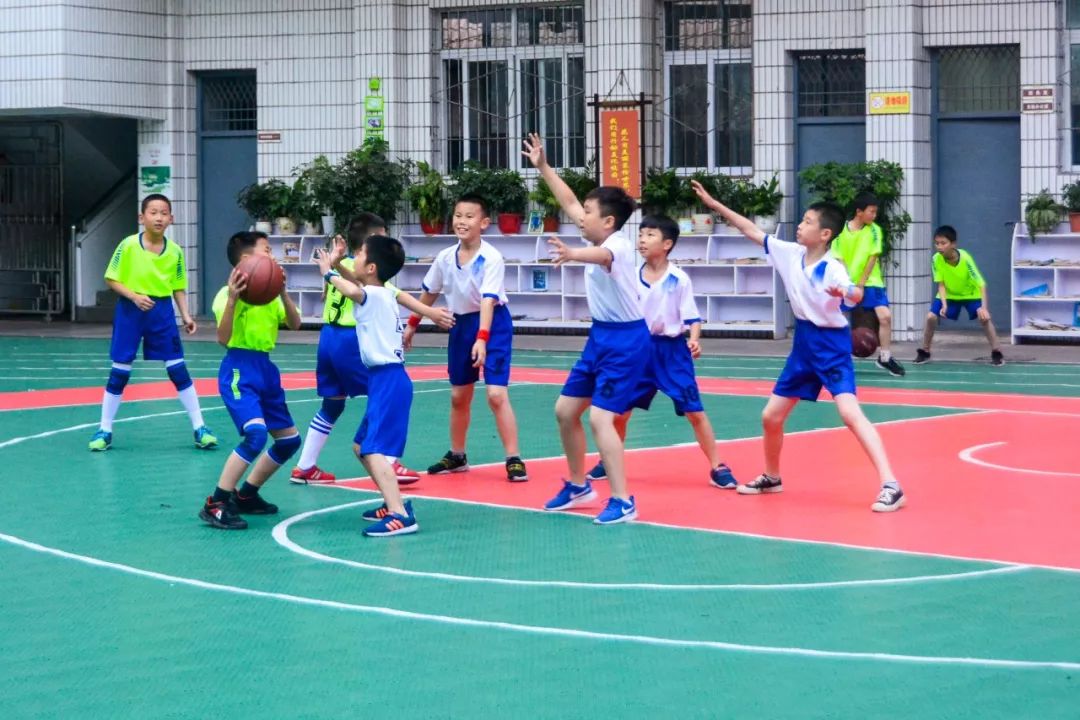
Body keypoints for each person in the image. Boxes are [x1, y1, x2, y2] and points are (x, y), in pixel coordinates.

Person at [690, 180, 906, 512]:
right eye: (803, 220)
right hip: (804, 343)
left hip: (831, 345)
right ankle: (772, 477)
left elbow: (856, 294)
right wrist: (714, 204)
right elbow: (750, 230)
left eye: (807, 222)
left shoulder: (831, 268)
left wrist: (846, 292)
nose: (800, 225)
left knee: (849, 414)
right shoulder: (790, 253)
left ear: (825, 234)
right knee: (771, 416)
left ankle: (891, 484)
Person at [522, 133, 649, 524]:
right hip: (600, 337)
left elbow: (602, 255)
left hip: (627, 340)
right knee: (565, 411)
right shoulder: (599, 229)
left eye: (589, 213)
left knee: (600, 417)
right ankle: (579, 486)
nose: (581, 217)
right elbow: (569, 201)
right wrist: (543, 166)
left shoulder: (620, 245)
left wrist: (573, 253)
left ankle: (623, 500)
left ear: (608, 221)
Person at [290, 213, 453, 485]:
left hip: (327, 338)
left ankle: (305, 465)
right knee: (384, 394)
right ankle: (386, 459)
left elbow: (342, 284)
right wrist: (430, 313)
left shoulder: (346, 265)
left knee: (332, 404)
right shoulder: (369, 276)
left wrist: (332, 268)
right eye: (382, 236)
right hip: (351, 341)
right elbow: (397, 295)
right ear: (371, 241)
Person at [584, 215, 738, 489]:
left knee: (695, 412)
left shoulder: (679, 279)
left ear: (667, 244)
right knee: (620, 413)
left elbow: (692, 318)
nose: (642, 240)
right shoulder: (629, 276)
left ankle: (718, 466)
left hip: (672, 353)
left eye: (650, 235)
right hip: (637, 349)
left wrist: (694, 340)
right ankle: (607, 461)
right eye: (641, 234)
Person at [402, 194, 528, 482]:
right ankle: (457, 455)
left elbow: (488, 300)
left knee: (496, 395)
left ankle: (514, 458)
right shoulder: (445, 257)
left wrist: (482, 338)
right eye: (458, 215)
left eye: (469, 216)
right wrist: (412, 324)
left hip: (493, 324)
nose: (462, 221)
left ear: (483, 223)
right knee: (459, 396)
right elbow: (429, 292)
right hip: (460, 326)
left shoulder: (491, 257)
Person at [88, 193, 217, 452]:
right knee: (120, 371)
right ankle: (105, 430)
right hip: (130, 310)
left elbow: (178, 287)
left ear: (171, 219)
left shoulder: (175, 251)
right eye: (153, 212)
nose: (159, 218)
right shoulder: (128, 245)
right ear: (142, 217)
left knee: (178, 369)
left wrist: (186, 315)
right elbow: (111, 278)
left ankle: (200, 428)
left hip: (162, 312)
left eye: (164, 213)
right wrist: (134, 297)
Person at [315, 234, 420, 536]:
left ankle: (400, 515)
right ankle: (392, 502)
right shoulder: (380, 292)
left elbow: (351, 289)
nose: (355, 259)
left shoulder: (371, 294)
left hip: (389, 380)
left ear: (371, 267)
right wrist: (338, 264)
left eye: (359, 255)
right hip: (383, 379)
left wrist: (328, 272)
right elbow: (355, 285)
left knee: (373, 449)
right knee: (361, 447)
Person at [199, 231, 302, 530]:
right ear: (247, 260)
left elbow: (295, 324)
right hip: (239, 369)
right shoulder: (225, 295)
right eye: (266, 250)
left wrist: (283, 292)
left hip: (266, 369)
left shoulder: (268, 295)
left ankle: (246, 495)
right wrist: (233, 299)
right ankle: (216, 503)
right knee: (256, 436)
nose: (272, 255)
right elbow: (223, 339)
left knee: (289, 441)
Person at [831, 192, 905, 377]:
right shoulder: (840, 231)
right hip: (846, 281)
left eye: (875, 212)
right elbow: (839, 259)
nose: (874, 215)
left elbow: (872, 259)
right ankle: (836, 359)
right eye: (871, 211)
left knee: (885, 317)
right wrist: (849, 285)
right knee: (837, 319)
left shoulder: (875, 230)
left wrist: (861, 285)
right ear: (859, 212)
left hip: (871, 281)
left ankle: (885, 358)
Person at [914, 225, 1004, 366]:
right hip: (949, 294)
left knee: (984, 319)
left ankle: (996, 352)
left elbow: (981, 284)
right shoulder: (936, 259)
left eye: (943, 243)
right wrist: (944, 305)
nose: (939, 247)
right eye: (937, 243)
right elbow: (941, 284)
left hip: (970, 294)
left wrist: (984, 308)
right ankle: (925, 351)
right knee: (930, 317)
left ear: (953, 244)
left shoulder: (965, 258)